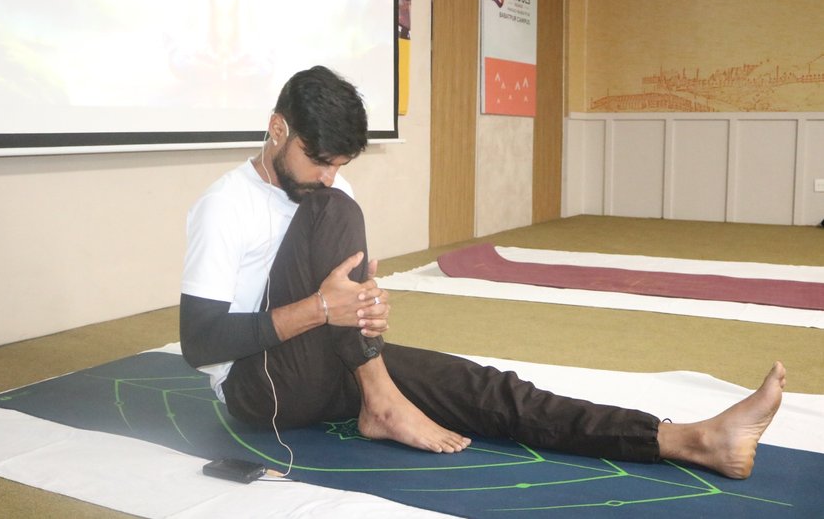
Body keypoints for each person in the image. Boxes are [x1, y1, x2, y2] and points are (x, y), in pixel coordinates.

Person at [180, 65, 785, 480]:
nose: (329, 176)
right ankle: (382, 399)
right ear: (278, 129)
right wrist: (323, 308)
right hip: (261, 389)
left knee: (485, 388)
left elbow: (342, 295)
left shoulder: (326, 187)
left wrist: (363, 303)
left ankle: (689, 440)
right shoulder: (224, 206)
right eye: (319, 161)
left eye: (339, 164)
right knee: (334, 210)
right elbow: (200, 343)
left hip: (333, 365)